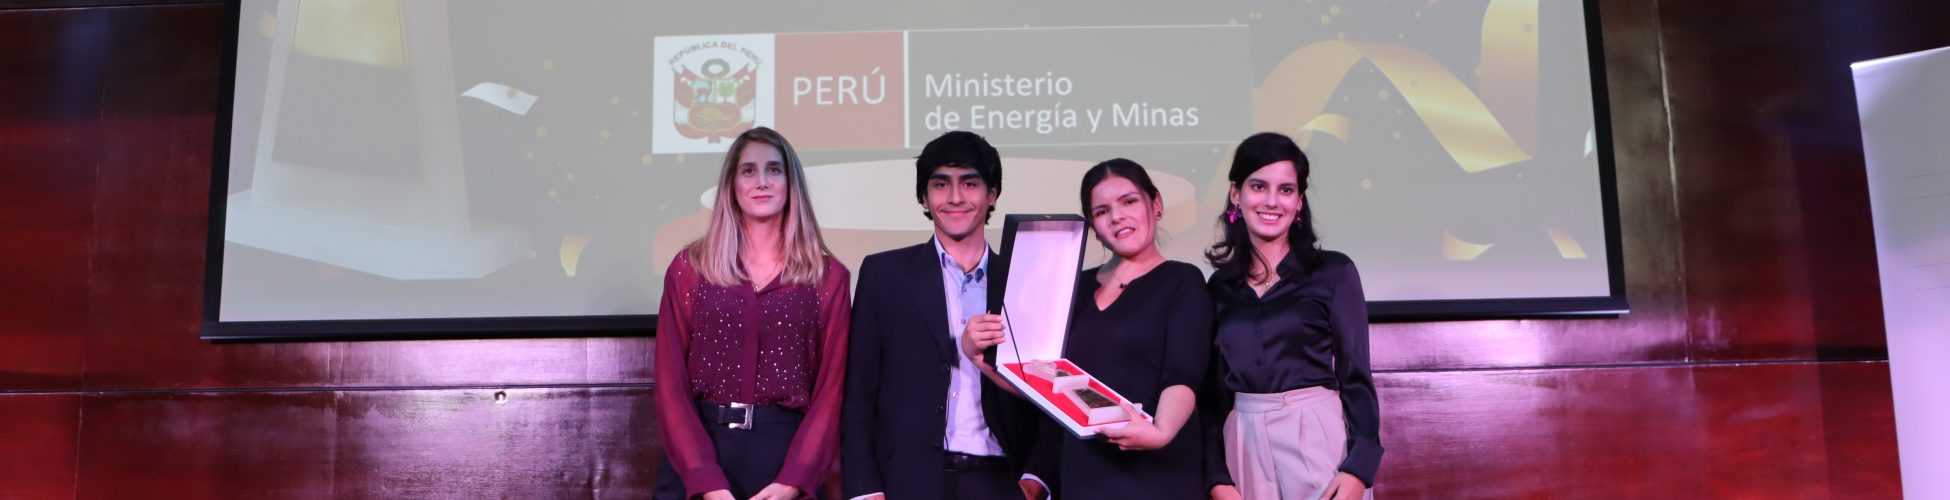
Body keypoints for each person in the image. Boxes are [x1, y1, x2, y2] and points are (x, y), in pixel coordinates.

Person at [963, 158, 1216, 499]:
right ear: (1093, 226)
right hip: (1085, 471)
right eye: (1102, 211)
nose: (1117, 217)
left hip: (1158, 471)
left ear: (1155, 204)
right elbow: (1046, 385)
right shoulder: (1072, 288)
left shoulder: (1182, 280)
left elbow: (1183, 375)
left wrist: (1161, 432)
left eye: (1129, 202)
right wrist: (981, 359)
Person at [841, 131, 1045, 500]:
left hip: (1000, 479)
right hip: (906, 480)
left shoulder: (1023, 281)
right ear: (924, 196)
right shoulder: (885, 275)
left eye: (970, 183)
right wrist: (864, 489)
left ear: (992, 194)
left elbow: (1048, 390)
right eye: (940, 184)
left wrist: (1036, 479)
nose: (955, 197)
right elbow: (859, 391)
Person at [654, 127, 851, 500]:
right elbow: (669, 382)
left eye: (774, 169)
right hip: (699, 458)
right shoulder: (690, 268)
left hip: (784, 462)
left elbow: (831, 390)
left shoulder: (828, 277)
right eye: (749, 170)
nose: (762, 181)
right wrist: (705, 480)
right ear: (731, 185)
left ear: (791, 183)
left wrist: (794, 480)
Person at [1203, 132, 1381, 500]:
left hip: (1316, 433)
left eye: (1286, 190)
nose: (1271, 201)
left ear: (1299, 201)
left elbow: (1356, 376)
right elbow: (1214, 396)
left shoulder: (1333, 272)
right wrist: (1217, 478)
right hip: (1242, 438)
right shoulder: (1219, 287)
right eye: (1258, 186)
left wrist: (1359, 469)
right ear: (1236, 194)